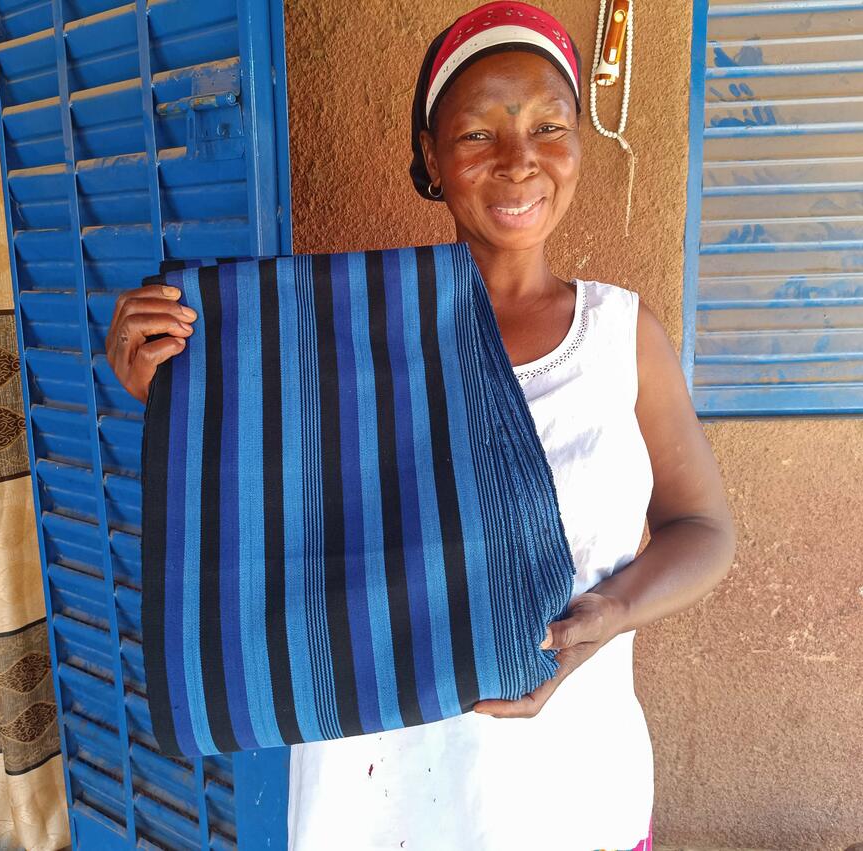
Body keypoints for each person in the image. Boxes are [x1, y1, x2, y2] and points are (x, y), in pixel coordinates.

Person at [106, 2, 737, 848]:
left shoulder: (623, 338)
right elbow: (269, 518)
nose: (520, 161)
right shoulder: (332, 339)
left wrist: (611, 610)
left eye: (550, 125)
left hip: (571, 791)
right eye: (478, 134)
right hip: (377, 799)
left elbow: (705, 531)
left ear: (580, 148)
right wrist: (179, 396)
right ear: (431, 162)